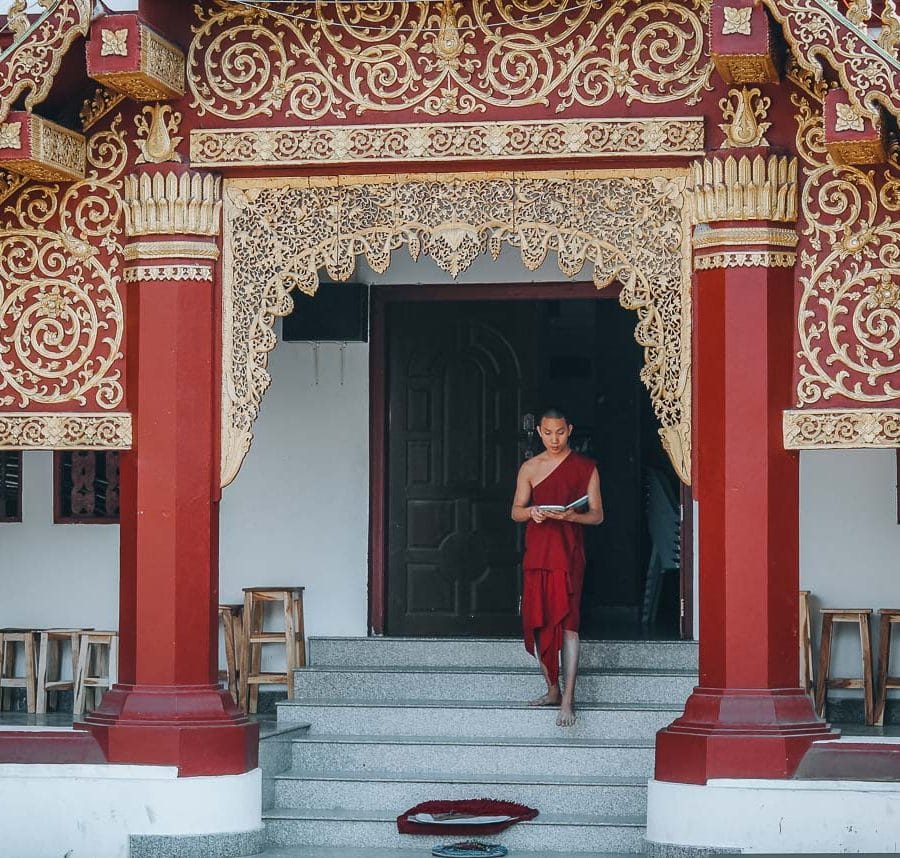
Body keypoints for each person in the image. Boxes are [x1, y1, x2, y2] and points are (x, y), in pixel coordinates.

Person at [510, 407, 604, 727]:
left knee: (568, 623)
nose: (554, 439)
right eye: (548, 433)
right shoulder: (530, 468)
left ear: (570, 429)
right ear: (539, 432)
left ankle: (568, 698)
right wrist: (533, 511)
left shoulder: (585, 468)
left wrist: (572, 517)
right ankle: (551, 688)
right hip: (538, 554)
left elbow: (597, 515)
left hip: (568, 554)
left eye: (560, 432)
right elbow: (516, 512)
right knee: (537, 622)